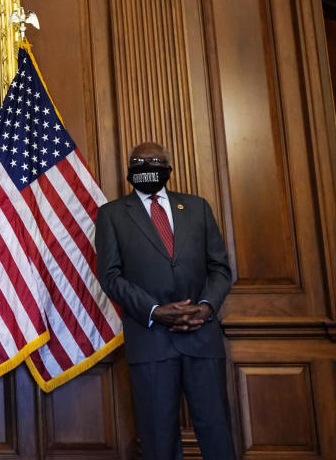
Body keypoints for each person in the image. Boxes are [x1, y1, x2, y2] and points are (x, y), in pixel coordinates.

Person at [95, 142, 236, 460]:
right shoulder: (112, 215)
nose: (147, 166)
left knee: (218, 435)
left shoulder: (197, 208)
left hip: (202, 337)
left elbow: (220, 269)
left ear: (169, 168)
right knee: (158, 441)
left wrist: (206, 307)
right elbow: (111, 277)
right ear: (129, 170)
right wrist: (155, 311)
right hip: (150, 343)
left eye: (155, 161)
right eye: (139, 162)